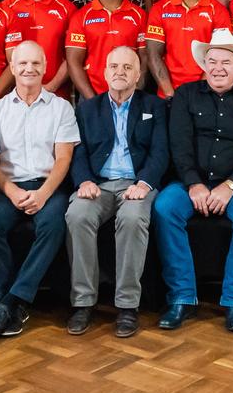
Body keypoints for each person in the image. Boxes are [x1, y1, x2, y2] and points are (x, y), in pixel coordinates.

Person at [152, 31, 233, 333]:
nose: (218, 67)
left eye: (226, 62)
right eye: (212, 61)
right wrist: (193, 183)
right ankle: (182, 297)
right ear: (204, 65)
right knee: (164, 207)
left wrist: (230, 186)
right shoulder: (185, 95)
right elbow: (178, 145)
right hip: (191, 183)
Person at [0, 41, 80, 340]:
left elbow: (64, 158)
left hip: (48, 187)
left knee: (53, 224)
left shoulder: (61, 108)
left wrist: (44, 194)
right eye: (22, 63)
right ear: (12, 68)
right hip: (8, 188)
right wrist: (10, 192)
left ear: (45, 67)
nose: (29, 69)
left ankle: (12, 301)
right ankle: (5, 295)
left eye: (36, 63)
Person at [65, 46, 167, 338]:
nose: (120, 72)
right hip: (98, 184)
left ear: (138, 74)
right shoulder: (87, 108)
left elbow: (161, 152)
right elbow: (78, 150)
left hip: (136, 184)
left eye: (127, 67)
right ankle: (83, 302)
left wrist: (144, 183)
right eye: (114, 66)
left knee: (134, 219)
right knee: (77, 215)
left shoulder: (154, 106)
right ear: (104, 72)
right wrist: (84, 180)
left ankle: (126, 305)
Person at [145, 0, 230, 97]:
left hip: (206, 95)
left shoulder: (218, 11)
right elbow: (153, 54)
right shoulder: (159, 9)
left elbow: (220, 57)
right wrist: (170, 95)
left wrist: (199, 95)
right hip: (168, 95)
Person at [65, 0, 148, 99]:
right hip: (92, 96)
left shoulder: (139, 15)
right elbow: (73, 62)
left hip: (130, 97)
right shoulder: (81, 17)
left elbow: (145, 58)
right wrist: (93, 101)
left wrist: (134, 95)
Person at [3, 0, 77, 96]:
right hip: (16, 95)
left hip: (57, 95)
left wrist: (51, 87)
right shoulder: (6, 8)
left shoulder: (67, 8)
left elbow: (73, 56)